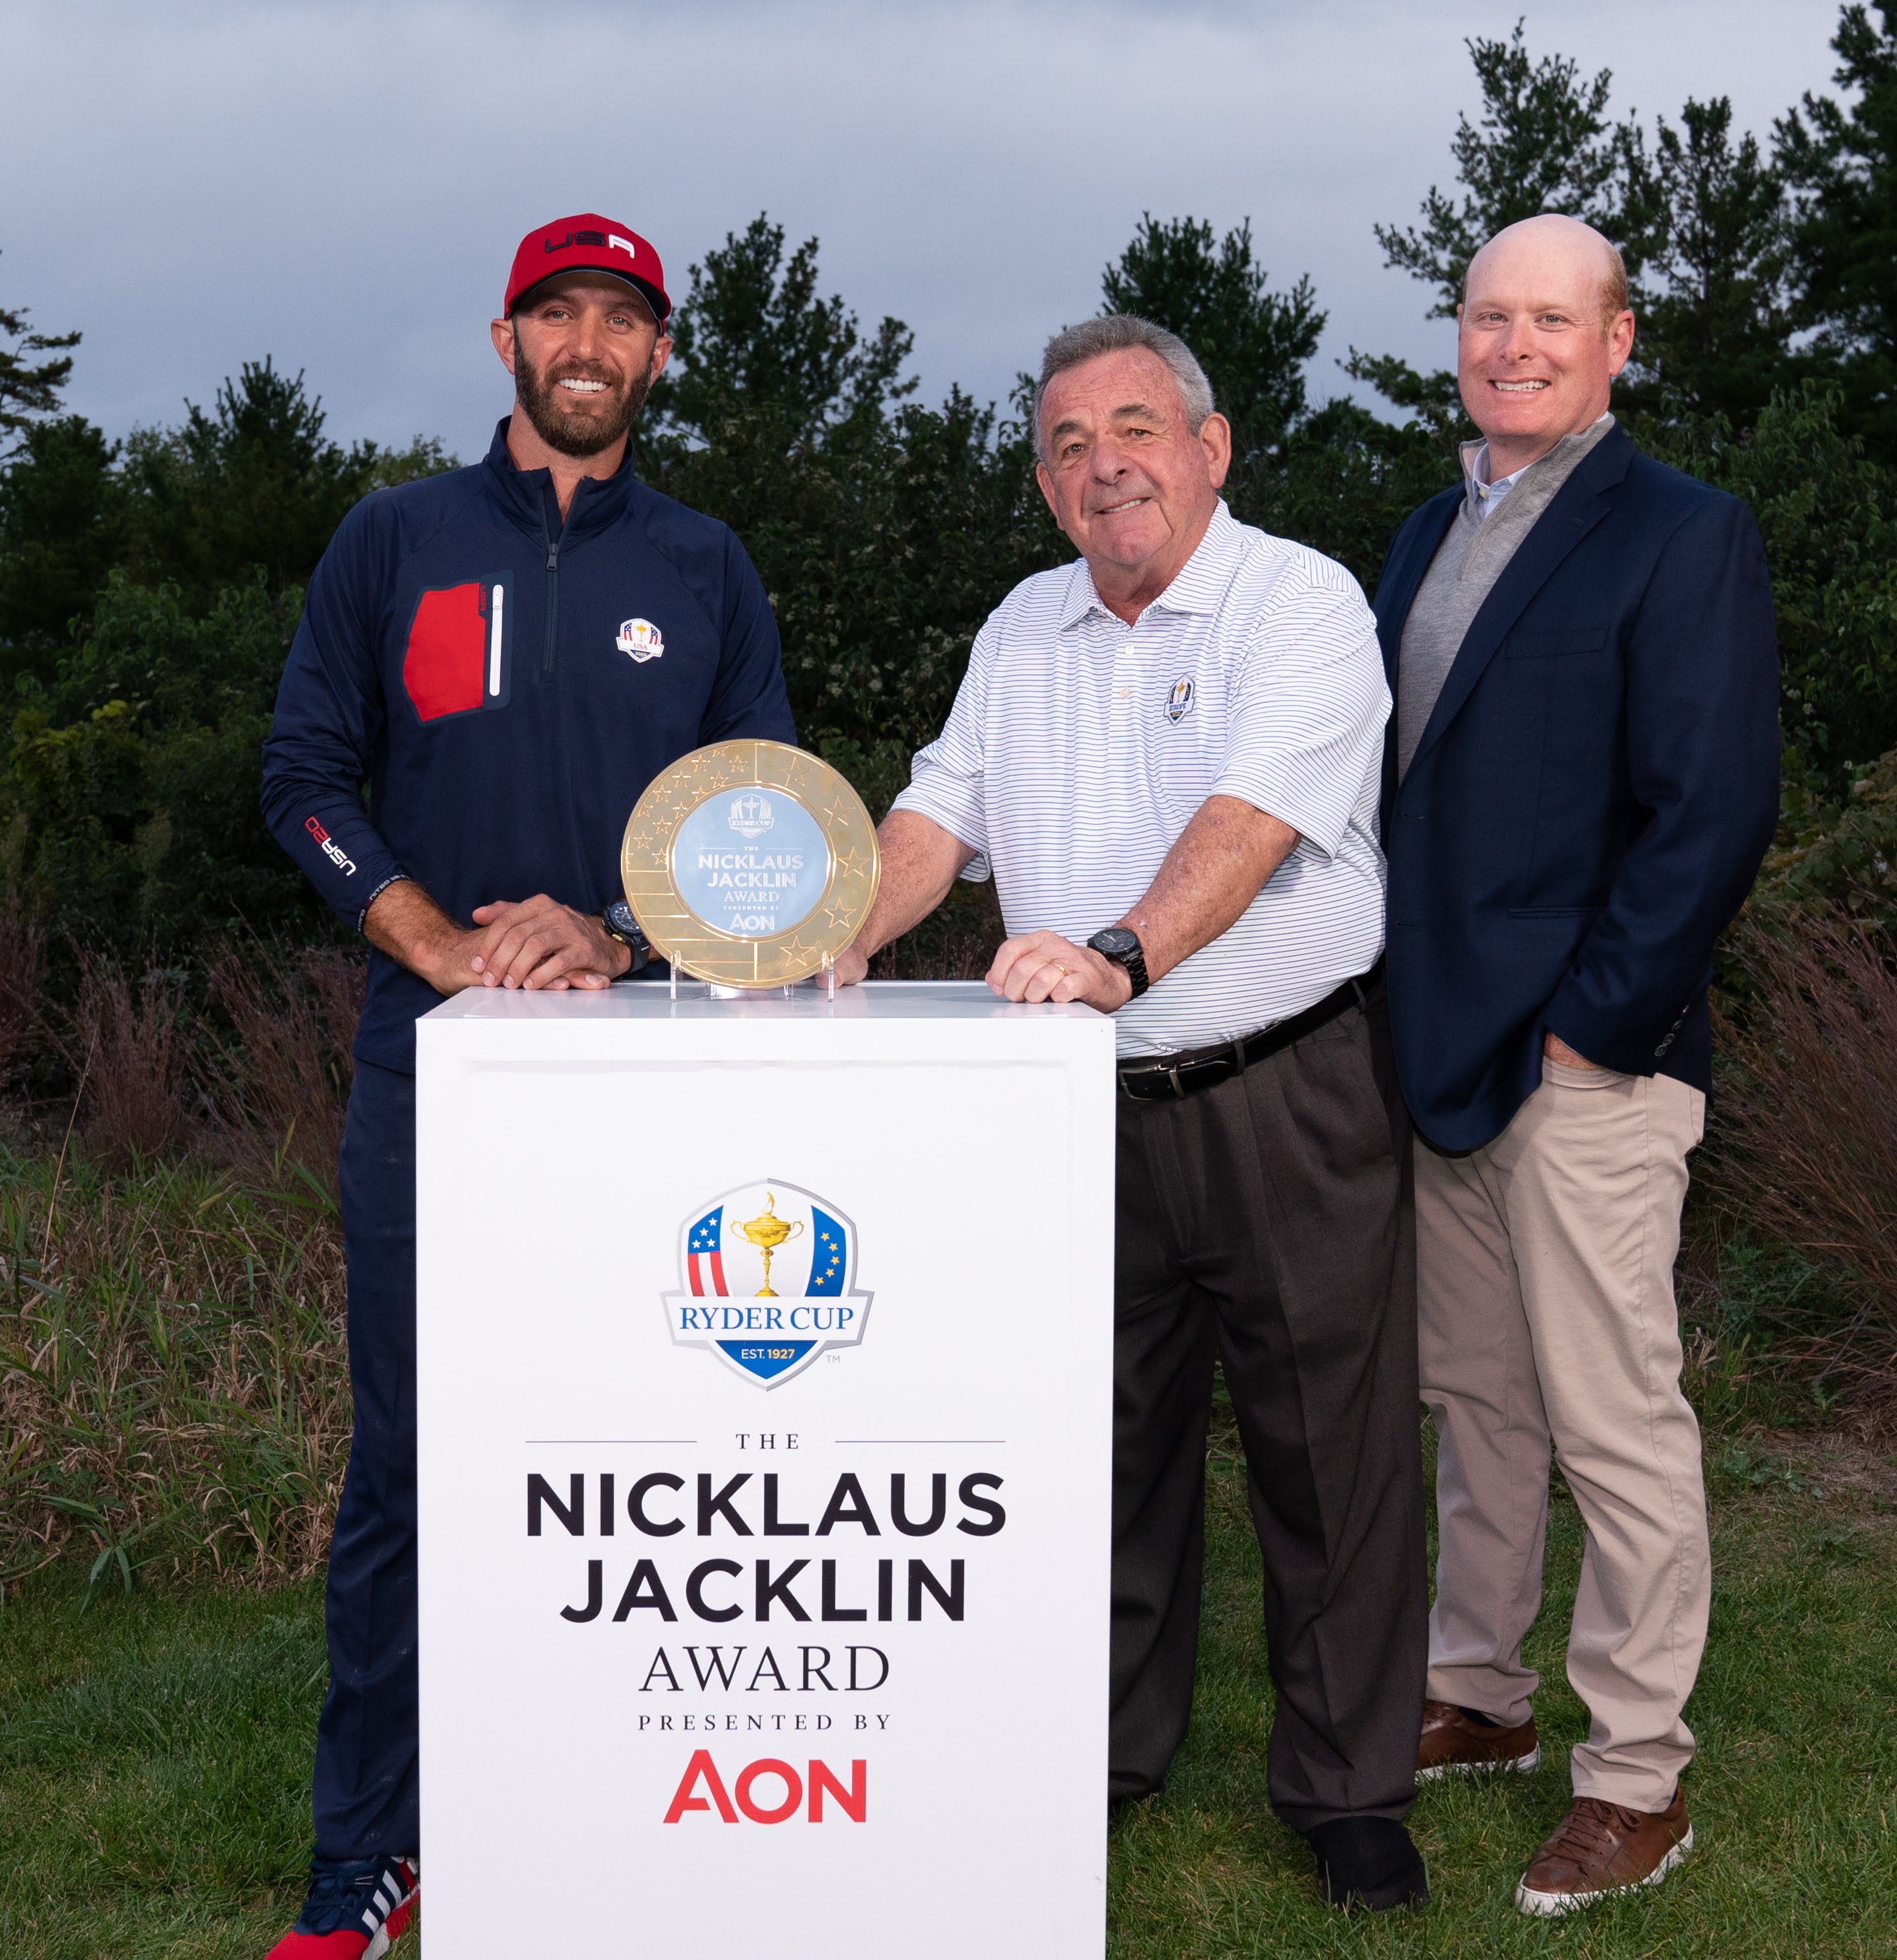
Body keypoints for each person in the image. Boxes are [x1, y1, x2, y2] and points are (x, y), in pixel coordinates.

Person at [836, 314, 1429, 1912]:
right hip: (1068, 1114)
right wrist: (831, 935)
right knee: (1093, 1451)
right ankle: (1093, 1758)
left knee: (1330, 1454)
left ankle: (1348, 1791)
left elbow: (1245, 827)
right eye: (1067, 445)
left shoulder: (1299, 603)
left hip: (1282, 1087)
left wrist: (1116, 954)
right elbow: (934, 817)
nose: (1105, 464)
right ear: (1043, 489)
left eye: (1134, 427)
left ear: (1209, 447)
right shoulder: (1019, 628)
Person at [256, 211, 796, 1960]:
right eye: (557, 313)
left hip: (652, 1099)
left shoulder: (707, 566)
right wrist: (428, 938)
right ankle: (371, 1855)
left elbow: (762, 843)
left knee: (645, 1473)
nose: (587, 344)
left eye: (619, 321)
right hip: (436, 1078)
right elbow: (306, 777)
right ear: (505, 341)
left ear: (656, 357)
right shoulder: (392, 539)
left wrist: (621, 945)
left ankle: (599, 1820)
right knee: (413, 1476)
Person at [1369, 213, 1780, 1915]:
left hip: (1588, 1065)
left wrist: (1588, 1034)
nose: (1512, 344)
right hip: (1435, 1056)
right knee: (1479, 1405)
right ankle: (1479, 1693)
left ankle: (1636, 1777)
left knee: (1613, 1420)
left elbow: (1710, 816)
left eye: (1552, 317)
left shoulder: (1679, 536)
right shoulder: (1420, 533)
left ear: (1620, 341)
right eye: (1486, 316)